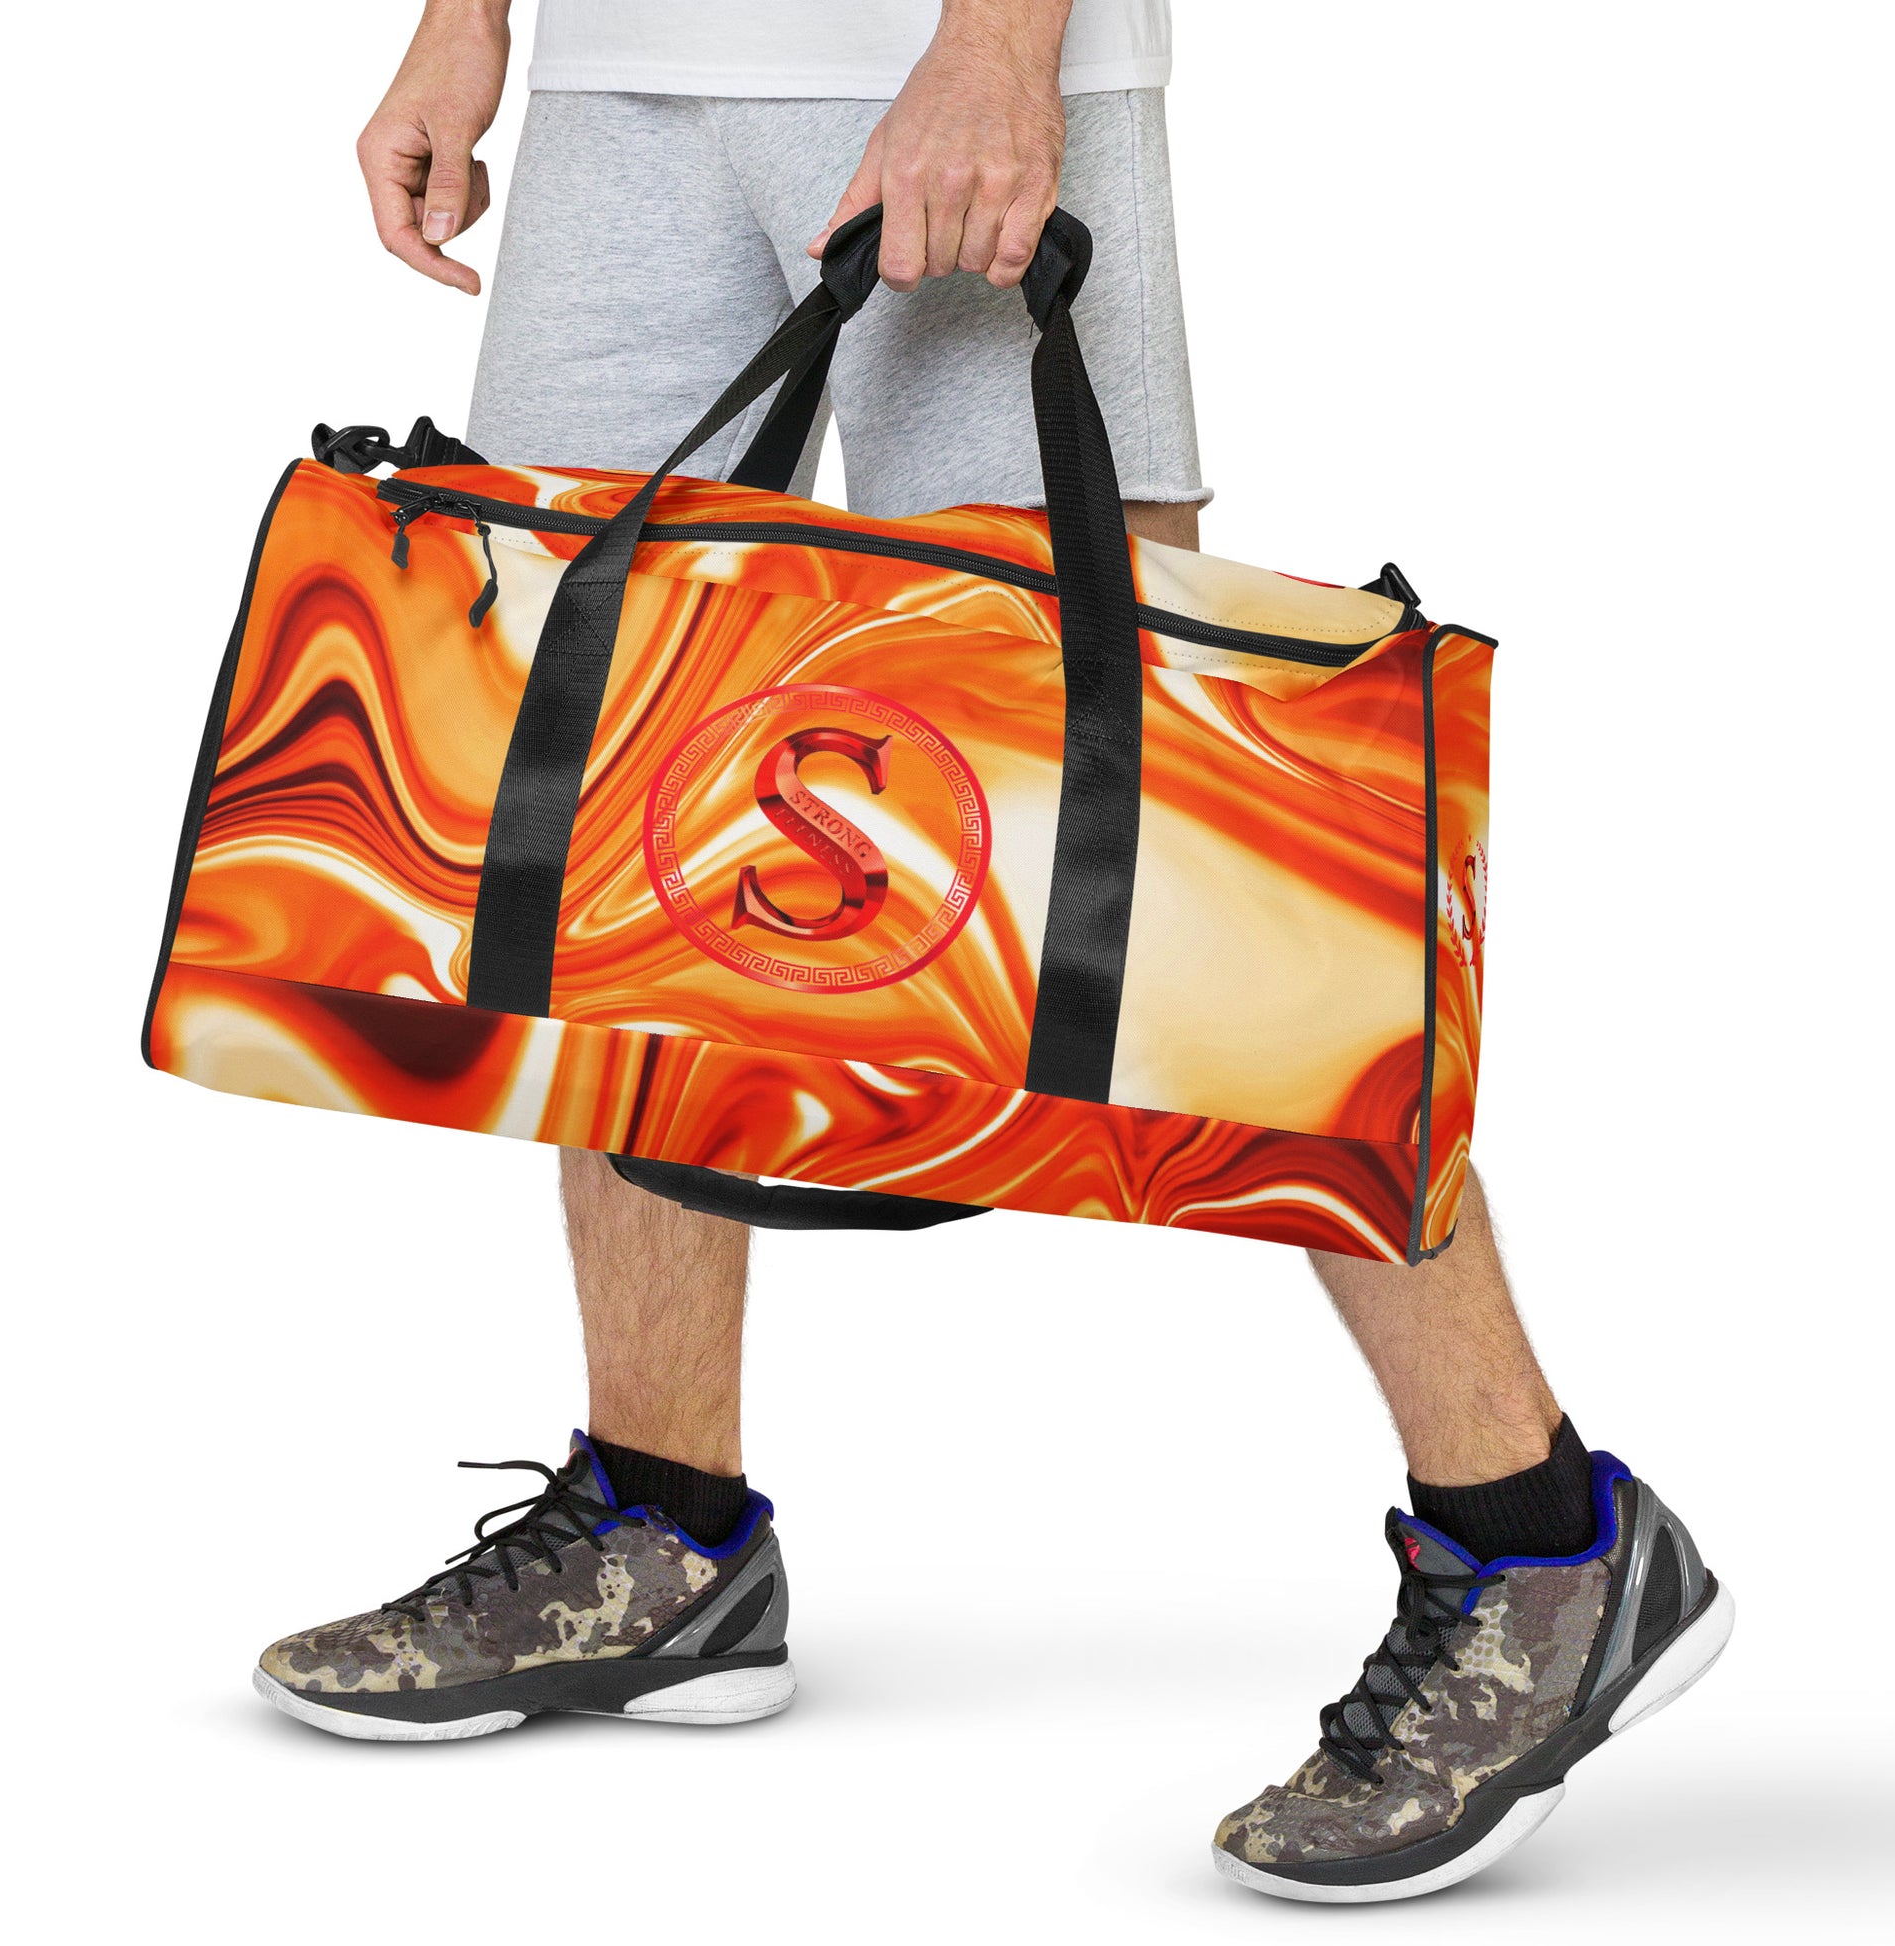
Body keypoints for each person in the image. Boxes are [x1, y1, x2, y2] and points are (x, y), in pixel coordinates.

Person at [252, 0, 1731, 1904]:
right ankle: (660, 1530)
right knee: (616, 787)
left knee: (1190, 839)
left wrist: (1000, 47)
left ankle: (1541, 1538)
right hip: (621, 78)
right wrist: (467, 21)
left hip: (944, 67)